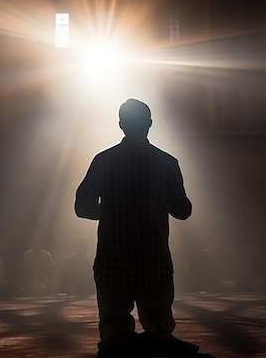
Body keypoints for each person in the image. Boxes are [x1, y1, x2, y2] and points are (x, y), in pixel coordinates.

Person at [75, 98, 199, 358]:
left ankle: (119, 340)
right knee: (158, 316)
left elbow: (82, 207)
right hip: (153, 261)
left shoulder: (103, 161)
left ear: (120, 125)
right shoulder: (167, 163)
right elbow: (183, 211)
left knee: (113, 322)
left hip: (113, 261)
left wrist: (107, 213)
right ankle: (160, 337)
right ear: (150, 124)